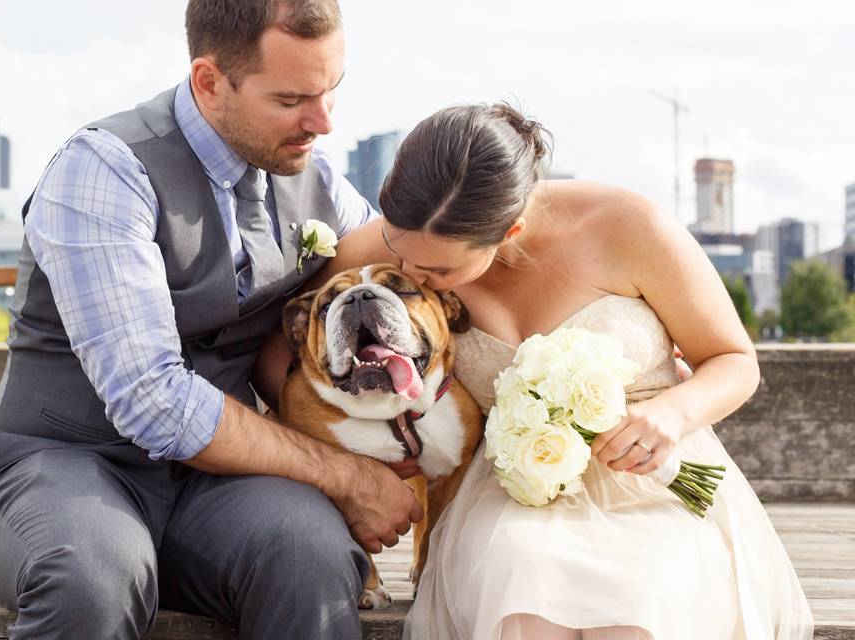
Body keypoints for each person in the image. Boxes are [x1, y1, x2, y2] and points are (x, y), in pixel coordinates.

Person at [0, 2, 422, 639]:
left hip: (216, 490)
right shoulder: (103, 169)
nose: (321, 121)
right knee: (90, 577)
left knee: (313, 557)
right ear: (209, 82)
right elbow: (152, 399)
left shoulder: (317, 179)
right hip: (66, 467)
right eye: (291, 98)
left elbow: (422, 270)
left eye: (330, 91)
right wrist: (348, 475)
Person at [296, 104, 814, 639]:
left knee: (639, 605)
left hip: (653, 481)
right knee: (523, 591)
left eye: (439, 271)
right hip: (513, 488)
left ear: (510, 229)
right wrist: (370, 455)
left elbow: (733, 359)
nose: (411, 275)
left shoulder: (630, 226)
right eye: (401, 253)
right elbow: (292, 355)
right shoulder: (384, 248)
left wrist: (671, 414)